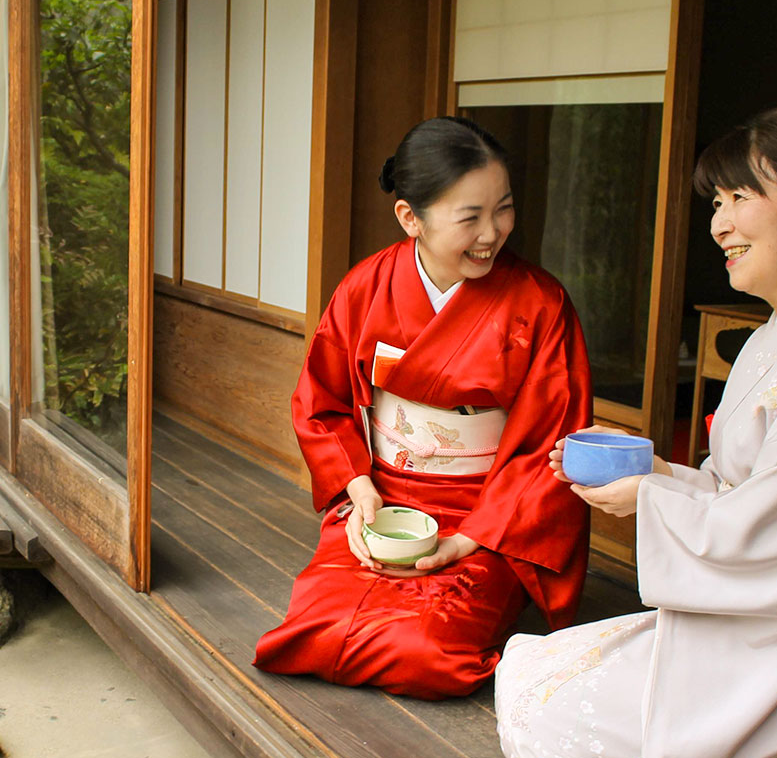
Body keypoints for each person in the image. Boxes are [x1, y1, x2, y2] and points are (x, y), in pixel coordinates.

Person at [495, 106, 777, 758]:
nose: (720, 225)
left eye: (740, 199)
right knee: (525, 668)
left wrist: (651, 501)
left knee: (552, 727)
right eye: (717, 204)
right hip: (756, 618)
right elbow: (737, 493)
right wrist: (655, 476)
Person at [252, 117, 592, 701]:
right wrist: (358, 493)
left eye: (503, 210)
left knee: (427, 655)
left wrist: (471, 540)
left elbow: (552, 445)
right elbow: (322, 403)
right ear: (411, 217)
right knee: (311, 633)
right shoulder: (365, 288)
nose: (493, 233)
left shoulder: (540, 304)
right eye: (470, 217)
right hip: (381, 503)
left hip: (485, 519)